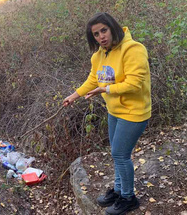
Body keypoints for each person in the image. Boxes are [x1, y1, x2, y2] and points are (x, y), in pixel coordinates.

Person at [63, 12, 151, 215]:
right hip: (115, 111)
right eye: (96, 34)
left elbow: (135, 83)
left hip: (134, 112)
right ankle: (119, 190)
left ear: (113, 28)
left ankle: (128, 198)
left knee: (120, 154)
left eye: (104, 30)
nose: (101, 36)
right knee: (117, 154)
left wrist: (107, 89)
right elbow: (93, 79)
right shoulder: (99, 55)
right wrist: (73, 96)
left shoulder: (133, 49)